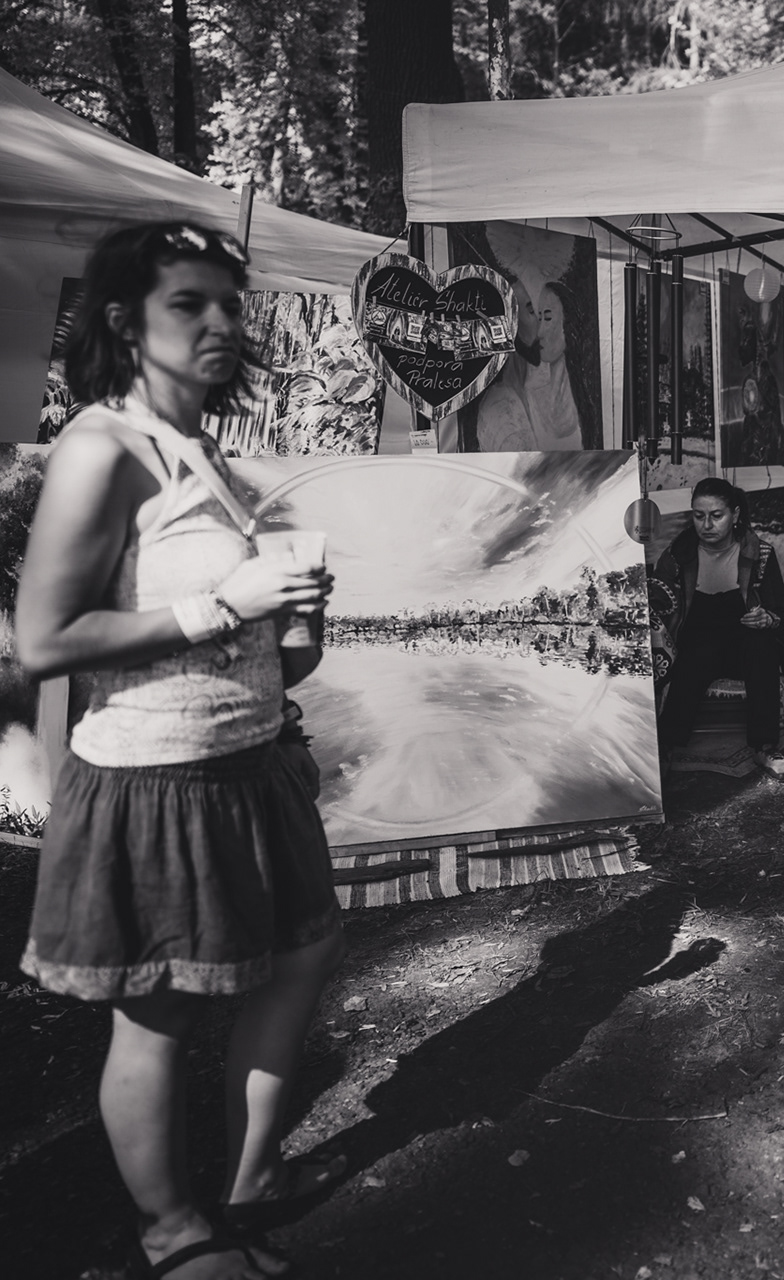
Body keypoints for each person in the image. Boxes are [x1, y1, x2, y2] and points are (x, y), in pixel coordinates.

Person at [13, 222, 340, 1279]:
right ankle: (174, 1238)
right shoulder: (101, 447)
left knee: (300, 959)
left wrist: (297, 618)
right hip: (153, 781)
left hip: (256, 760)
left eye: (230, 304)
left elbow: (264, 653)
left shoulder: (210, 455)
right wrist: (224, 601)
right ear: (125, 321)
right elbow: (45, 640)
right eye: (188, 304)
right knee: (160, 1014)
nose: (221, 323)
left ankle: (251, 1178)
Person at [651, 478, 784, 779]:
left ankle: (765, 747)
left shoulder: (760, 554)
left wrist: (767, 619)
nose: (706, 525)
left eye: (716, 515)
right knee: (694, 656)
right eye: (699, 515)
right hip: (698, 643)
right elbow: (657, 604)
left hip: (745, 646)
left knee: (762, 647)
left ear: (735, 515)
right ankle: (665, 746)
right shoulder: (678, 554)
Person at [471, 278, 582, 452]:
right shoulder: (503, 404)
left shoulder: (563, 395)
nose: (540, 328)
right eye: (533, 312)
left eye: (545, 317)